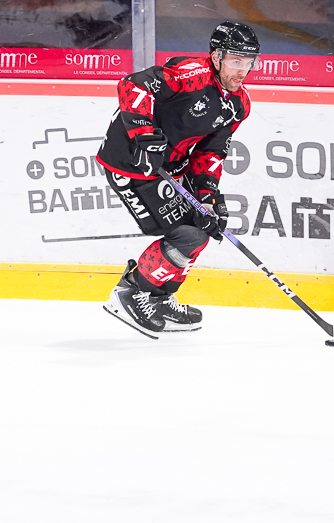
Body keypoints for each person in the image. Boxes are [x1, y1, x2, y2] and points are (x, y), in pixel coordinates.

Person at [96, 21, 258, 338]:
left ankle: (158, 298)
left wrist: (208, 196)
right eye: (236, 60)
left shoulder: (238, 105)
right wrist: (144, 134)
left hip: (171, 168)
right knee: (188, 236)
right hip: (130, 163)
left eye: (249, 62)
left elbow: (210, 152)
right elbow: (132, 85)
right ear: (217, 56)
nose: (243, 70)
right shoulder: (191, 74)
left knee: (202, 227)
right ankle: (130, 291)